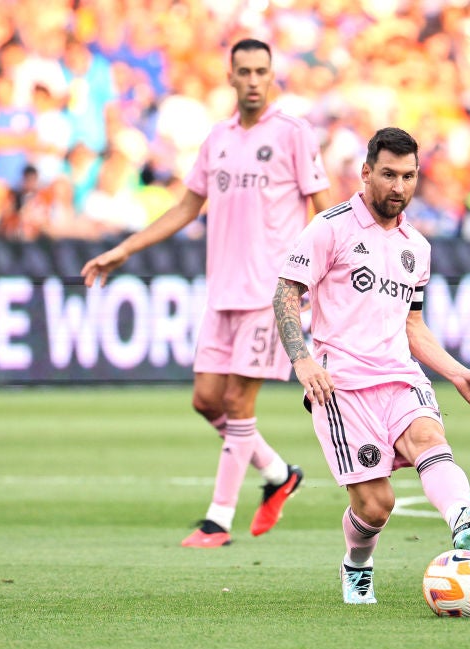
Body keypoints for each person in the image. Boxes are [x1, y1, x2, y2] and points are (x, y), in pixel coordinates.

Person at [81, 38, 333, 548]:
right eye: (245, 71)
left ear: (272, 74)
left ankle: (217, 520)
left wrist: (316, 282)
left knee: (239, 402)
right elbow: (184, 208)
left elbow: (324, 212)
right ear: (231, 76)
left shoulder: (293, 134)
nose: (254, 79)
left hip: (271, 293)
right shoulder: (217, 139)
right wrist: (124, 249)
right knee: (205, 400)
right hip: (222, 291)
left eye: (262, 70)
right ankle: (279, 473)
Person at [272, 127, 470, 605]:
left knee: (429, 438)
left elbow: (414, 326)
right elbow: (285, 292)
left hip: (400, 375)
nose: (398, 186)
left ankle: (463, 518)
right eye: (388, 174)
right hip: (340, 384)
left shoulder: (417, 248)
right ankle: (357, 564)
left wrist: (455, 371)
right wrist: (302, 360)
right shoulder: (330, 228)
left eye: (408, 176)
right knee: (376, 506)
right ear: (366, 173)